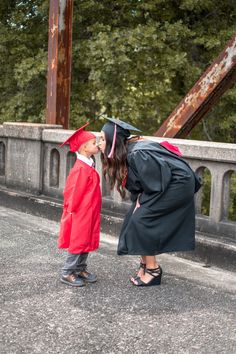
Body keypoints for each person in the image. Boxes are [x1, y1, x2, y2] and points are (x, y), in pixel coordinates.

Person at [99, 117, 201, 287]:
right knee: (132, 219)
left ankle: (153, 270)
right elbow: (145, 183)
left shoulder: (138, 153)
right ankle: (145, 264)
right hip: (163, 184)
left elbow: (156, 184)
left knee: (142, 220)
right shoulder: (126, 151)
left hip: (178, 184)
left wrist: (142, 201)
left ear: (113, 140)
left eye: (102, 138)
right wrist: (140, 200)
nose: (99, 143)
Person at [58, 123, 101, 287]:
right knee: (78, 240)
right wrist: (72, 211)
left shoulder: (88, 163)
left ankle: (80, 268)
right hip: (80, 211)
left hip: (89, 210)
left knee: (87, 239)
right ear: (83, 148)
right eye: (93, 143)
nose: (96, 145)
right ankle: (67, 272)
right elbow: (73, 192)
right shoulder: (80, 169)